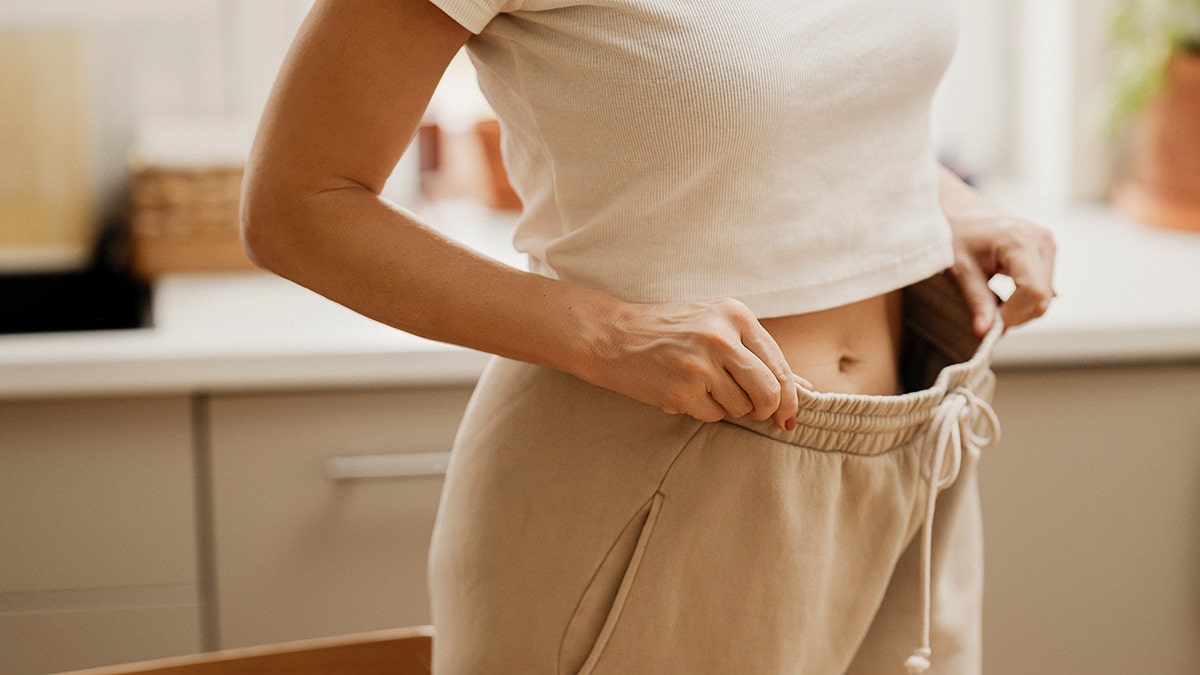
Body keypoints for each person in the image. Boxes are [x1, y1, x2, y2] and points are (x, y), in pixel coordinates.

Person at [241, 1, 1056, 673]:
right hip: (651, 484)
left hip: (912, 461)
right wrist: (607, 331)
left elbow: (829, 103)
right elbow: (295, 205)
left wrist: (949, 206)